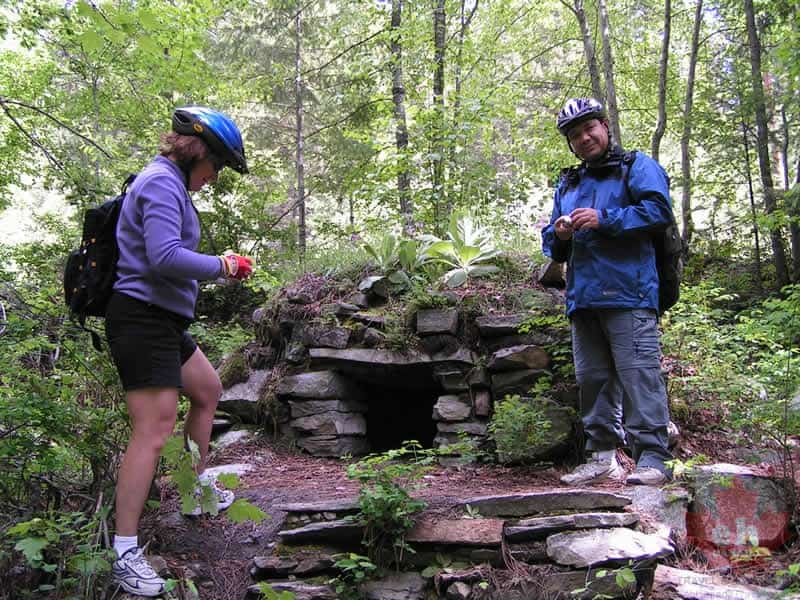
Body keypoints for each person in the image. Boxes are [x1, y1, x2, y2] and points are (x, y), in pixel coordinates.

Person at [107, 106, 254, 596]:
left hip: (164, 320)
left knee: (207, 390)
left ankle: (193, 491)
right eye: (217, 165)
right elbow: (165, 256)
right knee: (153, 430)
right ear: (197, 152)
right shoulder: (160, 183)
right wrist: (223, 265)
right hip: (141, 318)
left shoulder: (170, 183)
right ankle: (124, 552)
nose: (215, 177)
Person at [541, 97, 674, 488]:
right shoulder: (569, 183)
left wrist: (604, 218)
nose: (584, 138)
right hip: (583, 298)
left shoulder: (637, 166)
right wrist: (560, 233)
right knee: (593, 379)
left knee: (639, 376)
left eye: (589, 128)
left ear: (604, 126)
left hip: (629, 292)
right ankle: (602, 458)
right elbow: (552, 244)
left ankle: (653, 459)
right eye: (574, 135)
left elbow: (658, 211)